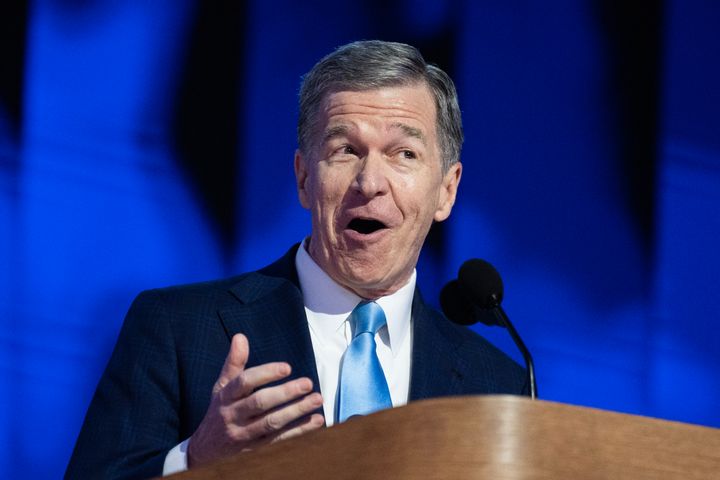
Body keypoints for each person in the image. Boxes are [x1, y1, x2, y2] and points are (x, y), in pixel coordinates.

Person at [65, 40, 527, 479]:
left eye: (403, 153)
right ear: (304, 178)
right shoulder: (176, 328)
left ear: (446, 190)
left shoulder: (499, 384)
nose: (370, 182)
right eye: (345, 150)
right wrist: (198, 461)